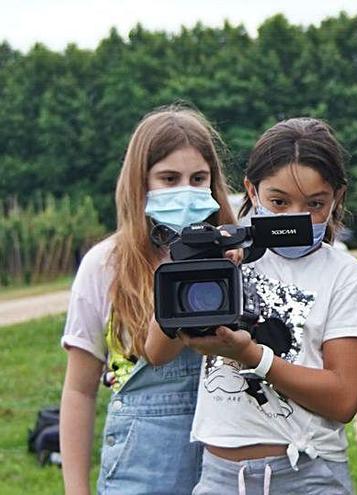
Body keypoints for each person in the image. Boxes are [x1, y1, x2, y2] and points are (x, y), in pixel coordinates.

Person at [146, 117, 357, 494]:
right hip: (219, 474)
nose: (293, 217)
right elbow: (157, 351)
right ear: (252, 191)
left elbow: (342, 399)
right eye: (278, 202)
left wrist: (253, 356)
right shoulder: (227, 256)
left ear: (338, 197)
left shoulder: (345, 276)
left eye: (314, 204)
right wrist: (193, 263)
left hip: (306, 473)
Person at [60, 105, 237, 494]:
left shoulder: (235, 255)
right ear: (141, 183)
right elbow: (79, 390)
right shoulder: (105, 266)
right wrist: (76, 489)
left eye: (198, 178)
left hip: (229, 465)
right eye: (169, 179)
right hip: (141, 469)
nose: (186, 191)